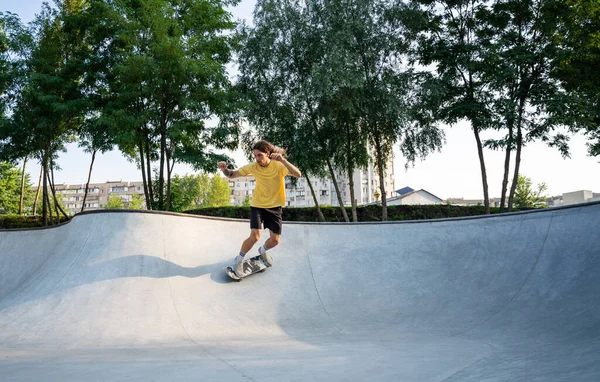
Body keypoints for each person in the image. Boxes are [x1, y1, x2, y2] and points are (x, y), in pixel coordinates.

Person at [218, 140, 302, 277]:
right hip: (258, 205)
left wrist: (283, 160)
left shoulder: (279, 166)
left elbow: (298, 174)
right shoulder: (253, 167)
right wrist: (224, 169)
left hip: (275, 207)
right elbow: (232, 174)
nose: (257, 159)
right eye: (255, 156)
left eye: (259, 155)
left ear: (268, 154)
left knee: (275, 241)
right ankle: (238, 259)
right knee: (255, 236)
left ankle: (262, 250)